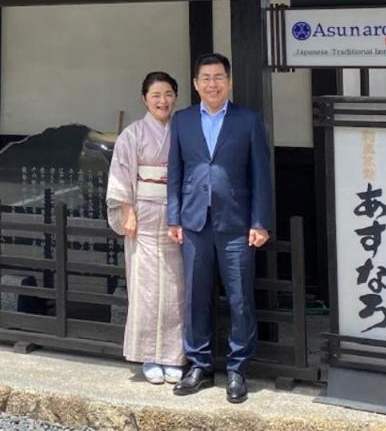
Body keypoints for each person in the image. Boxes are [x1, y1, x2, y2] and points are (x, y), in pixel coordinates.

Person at [166, 53, 273, 404]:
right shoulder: (181, 121)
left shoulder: (248, 120)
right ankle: (198, 364)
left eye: (218, 77)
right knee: (195, 295)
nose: (212, 84)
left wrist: (260, 221)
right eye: (205, 78)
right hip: (194, 222)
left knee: (240, 297)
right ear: (196, 84)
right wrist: (174, 217)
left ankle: (237, 368)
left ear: (229, 82)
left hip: (237, 224)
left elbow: (261, 174)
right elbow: (176, 173)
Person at [106, 71, 186, 384]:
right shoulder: (133, 134)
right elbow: (121, 174)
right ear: (144, 99)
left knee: (176, 287)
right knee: (145, 287)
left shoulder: (183, 131)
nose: (162, 101)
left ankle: (174, 355)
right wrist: (127, 211)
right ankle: (149, 356)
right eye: (156, 95)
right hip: (142, 215)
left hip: (176, 216)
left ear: (175, 97)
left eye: (168, 94)